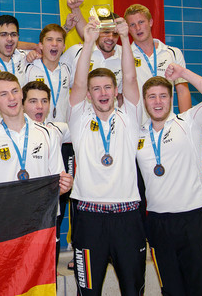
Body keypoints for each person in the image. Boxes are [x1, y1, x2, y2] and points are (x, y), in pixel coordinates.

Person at [67, 17, 146, 296]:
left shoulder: (130, 118)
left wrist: (126, 40)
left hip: (128, 219)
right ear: (89, 95)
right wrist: (88, 41)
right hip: (89, 221)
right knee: (87, 292)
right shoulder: (79, 119)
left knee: (132, 291)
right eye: (96, 88)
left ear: (116, 92)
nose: (102, 92)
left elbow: (133, 79)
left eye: (108, 87)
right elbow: (77, 83)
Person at [137, 65, 202, 295]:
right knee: (172, 290)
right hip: (158, 225)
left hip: (194, 220)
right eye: (152, 96)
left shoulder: (188, 122)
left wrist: (183, 75)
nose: (158, 102)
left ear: (171, 99)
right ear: (145, 102)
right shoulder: (137, 136)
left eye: (163, 96)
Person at [0, 72, 73, 196]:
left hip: (40, 213)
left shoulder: (48, 134)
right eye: (3, 94)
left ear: (22, 94)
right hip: (3, 213)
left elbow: (58, 184)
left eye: (15, 91)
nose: (12, 98)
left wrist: (65, 185)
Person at [21, 80, 73, 266]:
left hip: (49, 210)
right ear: (22, 103)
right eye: (33, 101)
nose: (39, 106)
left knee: (46, 271)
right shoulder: (9, 132)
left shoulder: (57, 129)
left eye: (44, 101)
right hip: (20, 214)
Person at [124, 4, 191, 113]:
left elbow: (182, 91)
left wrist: (186, 124)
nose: (138, 28)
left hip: (166, 123)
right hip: (135, 125)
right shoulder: (123, 55)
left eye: (141, 22)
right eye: (132, 24)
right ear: (128, 29)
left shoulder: (173, 53)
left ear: (150, 22)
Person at [25, 24, 72, 123]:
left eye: (59, 40)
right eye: (49, 39)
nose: (54, 44)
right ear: (41, 45)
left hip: (61, 132)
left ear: (63, 47)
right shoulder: (29, 67)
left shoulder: (67, 70)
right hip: (36, 131)